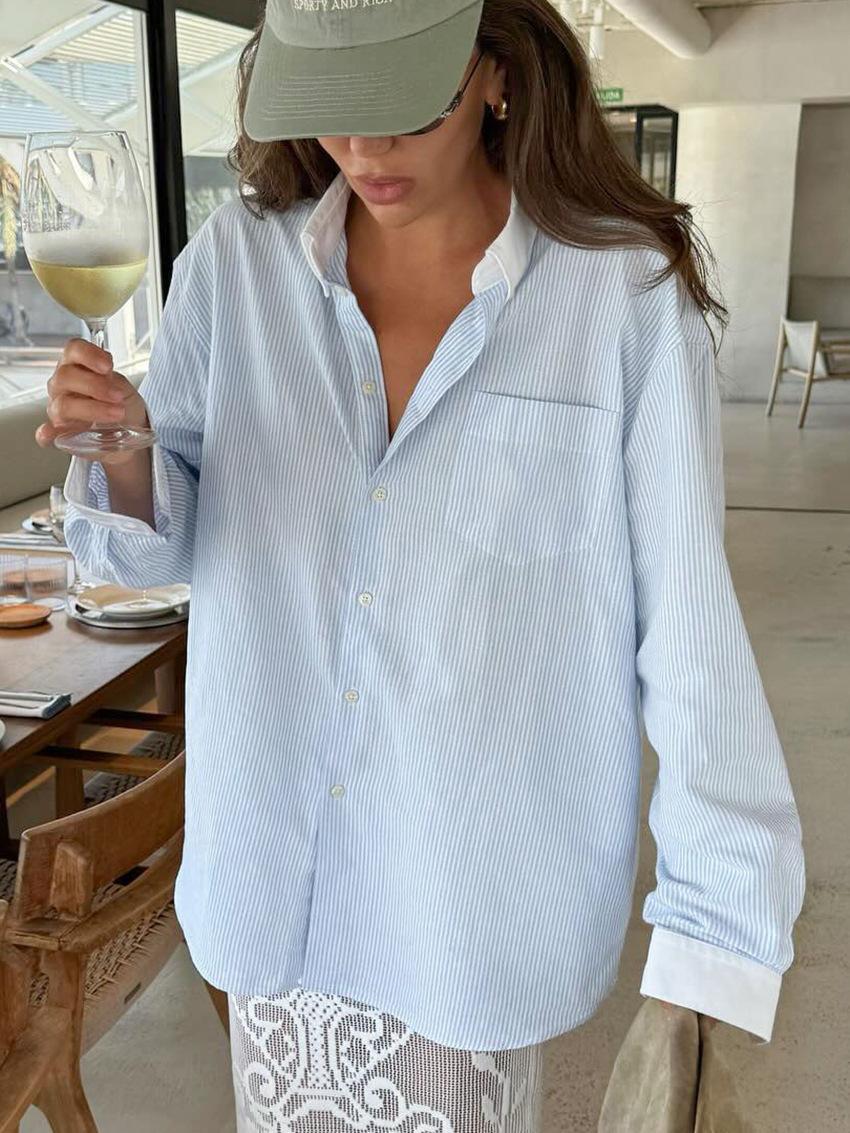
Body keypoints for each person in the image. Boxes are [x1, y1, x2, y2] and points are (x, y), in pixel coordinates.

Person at [41, 0, 806, 1129]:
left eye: (408, 104)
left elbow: (688, 630)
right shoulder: (237, 268)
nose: (366, 148)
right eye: (332, 108)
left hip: (473, 898)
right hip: (272, 878)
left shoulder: (621, 299)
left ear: (498, 73)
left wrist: (713, 936)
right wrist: (124, 452)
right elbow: (171, 540)